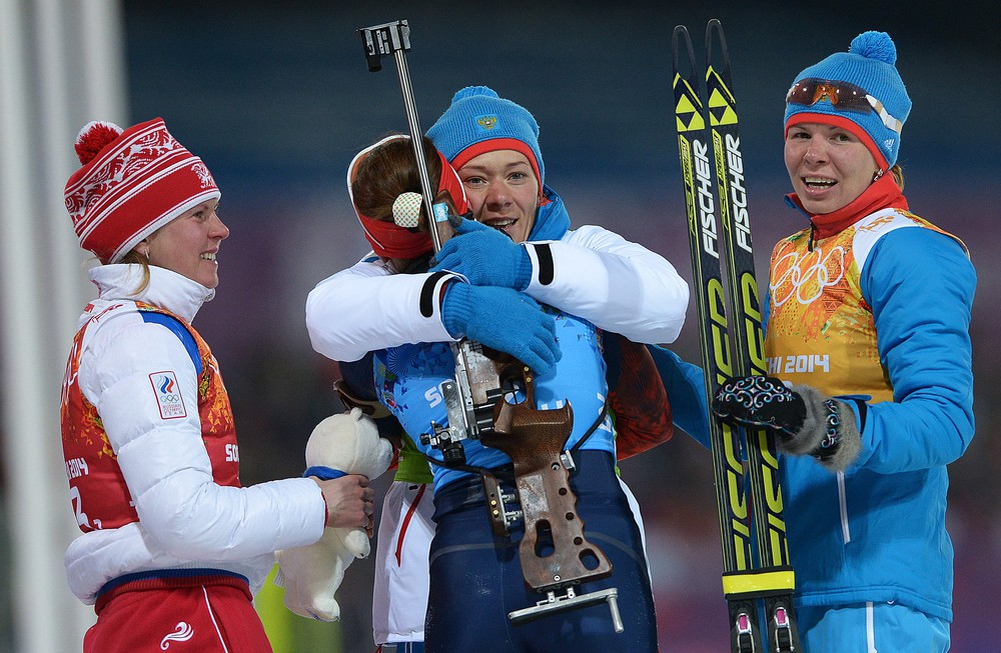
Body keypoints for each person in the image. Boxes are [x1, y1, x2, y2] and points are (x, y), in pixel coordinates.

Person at [306, 87, 690, 651]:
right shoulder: (399, 273)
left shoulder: (579, 247)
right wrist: (452, 303)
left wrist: (522, 266)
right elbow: (326, 315)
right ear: (441, 191)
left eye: (517, 174)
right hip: (462, 524)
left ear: (540, 182)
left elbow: (666, 303)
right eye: (476, 179)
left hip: (586, 512)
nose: (499, 197)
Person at [676, 31, 974, 652]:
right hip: (782, 581)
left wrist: (825, 425)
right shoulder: (789, 256)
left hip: (875, 586)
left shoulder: (910, 250)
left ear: (882, 152)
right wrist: (645, 368)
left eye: (841, 137)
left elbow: (946, 420)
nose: (814, 154)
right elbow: (757, 416)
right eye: (800, 134)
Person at [59, 118, 376, 653]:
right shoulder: (143, 340)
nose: (221, 229)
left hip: (152, 615)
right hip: (185, 613)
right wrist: (319, 504)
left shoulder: (125, 333)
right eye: (199, 214)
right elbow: (185, 519)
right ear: (145, 240)